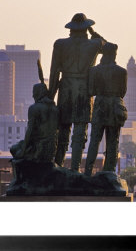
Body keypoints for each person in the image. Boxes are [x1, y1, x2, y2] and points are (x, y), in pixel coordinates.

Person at [48, 13, 106, 171]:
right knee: (80, 130)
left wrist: (50, 96)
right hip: (84, 89)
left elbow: (54, 72)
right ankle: (75, 169)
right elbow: (107, 48)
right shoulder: (94, 44)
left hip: (66, 88)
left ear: (71, 28)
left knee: (63, 129)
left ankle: (58, 165)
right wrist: (94, 33)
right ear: (86, 28)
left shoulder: (60, 44)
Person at [84, 42, 127, 176]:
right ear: (114, 54)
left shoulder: (94, 71)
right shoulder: (121, 72)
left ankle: (88, 172)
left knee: (94, 140)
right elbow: (122, 92)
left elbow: (90, 90)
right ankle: (109, 172)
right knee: (113, 141)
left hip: (100, 106)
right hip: (115, 106)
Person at [11, 82, 58, 162]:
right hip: (52, 148)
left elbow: (30, 131)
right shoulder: (55, 109)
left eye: (34, 93)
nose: (33, 96)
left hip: (38, 148)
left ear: (38, 93)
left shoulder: (34, 108)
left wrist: (23, 150)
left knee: (13, 149)